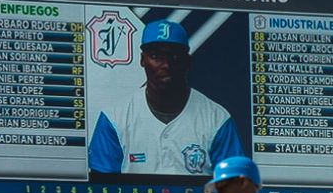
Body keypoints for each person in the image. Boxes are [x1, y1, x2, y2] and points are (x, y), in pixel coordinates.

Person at [89, 19, 244, 175]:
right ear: (143, 60)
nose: (166, 65)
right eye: (156, 56)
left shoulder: (217, 119)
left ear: (187, 61)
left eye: (174, 56)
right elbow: (100, 189)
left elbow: (234, 188)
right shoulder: (115, 117)